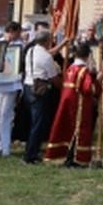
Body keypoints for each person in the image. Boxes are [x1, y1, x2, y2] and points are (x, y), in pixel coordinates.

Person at [44, 41, 101, 167]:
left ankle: (65, 156)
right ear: (88, 56)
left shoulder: (70, 68)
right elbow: (89, 89)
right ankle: (78, 158)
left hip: (67, 103)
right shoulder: (84, 71)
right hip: (80, 105)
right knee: (80, 132)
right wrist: (95, 77)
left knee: (68, 130)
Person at [22, 29, 62, 164]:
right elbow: (53, 77)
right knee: (38, 124)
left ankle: (32, 150)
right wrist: (63, 88)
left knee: (34, 122)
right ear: (47, 41)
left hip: (28, 86)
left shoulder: (31, 50)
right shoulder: (46, 57)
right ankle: (30, 155)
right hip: (40, 90)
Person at [0, 23, 25, 156]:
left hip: (11, 83)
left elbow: (20, 63)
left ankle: (5, 146)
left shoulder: (20, 46)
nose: (18, 36)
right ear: (11, 32)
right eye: (17, 33)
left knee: (6, 114)